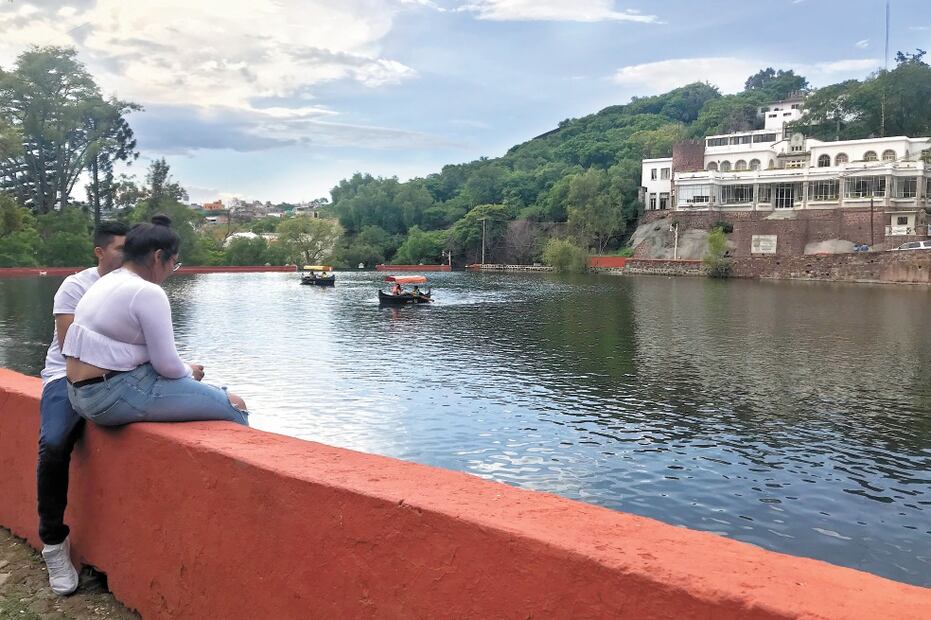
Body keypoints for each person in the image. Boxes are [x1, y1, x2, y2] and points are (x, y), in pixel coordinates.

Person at [64, 215, 249, 430]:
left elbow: (121, 349)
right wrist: (189, 372)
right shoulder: (147, 291)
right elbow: (167, 365)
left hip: (78, 395)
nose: (172, 270)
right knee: (235, 405)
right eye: (174, 263)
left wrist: (183, 369)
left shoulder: (106, 281)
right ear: (158, 256)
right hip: (108, 397)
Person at [37, 221, 128, 596]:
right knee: (55, 443)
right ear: (100, 252)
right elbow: (70, 345)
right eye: (122, 249)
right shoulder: (76, 286)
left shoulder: (136, 288)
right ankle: (54, 543)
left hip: (118, 375)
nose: (128, 257)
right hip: (67, 376)